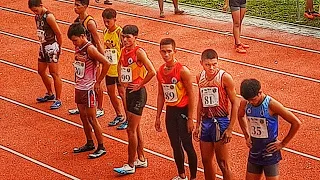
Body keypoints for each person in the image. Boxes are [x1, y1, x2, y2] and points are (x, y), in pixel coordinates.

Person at [113, 25, 156, 175]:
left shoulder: (139, 52)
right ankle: (141, 159)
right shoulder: (124, 51)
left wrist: (140, 84)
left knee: (130, 129)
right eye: (123, 37)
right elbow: (120, 65)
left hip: (138, 94)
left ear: (135, 37)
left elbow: (152, 71)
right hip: (129, 92)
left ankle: (130, 164)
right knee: (135, 128)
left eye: (128, 37)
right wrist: (121, 80)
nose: (125, 40)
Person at [238, 79, 301, 180]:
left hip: (270, 151)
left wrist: (283, 143)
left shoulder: (271, 105)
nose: (251, 102)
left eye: (253, 99)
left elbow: (296, 123)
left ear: (260, 92)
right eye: (248, 100)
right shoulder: (245, 102)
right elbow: (240, 116)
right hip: (254, 150)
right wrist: (246, 136)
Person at [155, 38, 197, 180]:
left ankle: (193, 177)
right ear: (160, 51)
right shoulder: (160, 71)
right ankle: (182, 175)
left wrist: (190, 118)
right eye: (163, 51)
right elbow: (161, 94)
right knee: (175, 145)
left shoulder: (182, 71)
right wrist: (157, 116)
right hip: (171, 112)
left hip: (183, 111)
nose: (166, 54)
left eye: (169, 51)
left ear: (175, 51)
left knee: (187, 145)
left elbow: (191, 94)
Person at [68, 22, 110, 159]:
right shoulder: (78, 47)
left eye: (75, 40)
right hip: (79, 87)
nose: (74, 43)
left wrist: (98, 82)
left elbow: (106, 63)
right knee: (83, 117)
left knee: (92, 118)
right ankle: (89, 143)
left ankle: (101, 146)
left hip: (88, 89)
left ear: (82, 36)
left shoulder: (90, 49)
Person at [193, 49, 237, 180]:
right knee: (206, 161)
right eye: (208, 65)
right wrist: (198, 124)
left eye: (214, 64)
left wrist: (230, 128)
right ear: (201, 63)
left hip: (221, 121)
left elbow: (236, 103)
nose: (211, 67)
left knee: (223, 163)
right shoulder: (199, 77)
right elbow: (200, 101)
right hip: (206, 122)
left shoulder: (225, 78)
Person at [68, 0, 105, 117]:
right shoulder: (77, 21)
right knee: (80, 79)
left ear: (85, 6)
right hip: (81, 56)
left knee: (95, 82)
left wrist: (101, 58)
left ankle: (100, 107)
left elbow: (98, 41)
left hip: (92, 56)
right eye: (74, 4)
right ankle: (82, 105)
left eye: (78, 5)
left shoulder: (90, 23)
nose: (75, 7)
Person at [28, 0, 63, 109]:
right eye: (33, 11)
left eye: (36, 10)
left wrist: (59, 48)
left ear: (41, 5)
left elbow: (58, 33)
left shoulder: (49, 17)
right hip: (43, 46)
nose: (35, 12)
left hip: (51, 47)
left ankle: (58, 99)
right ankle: (50, 93)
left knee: (54, 73)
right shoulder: (37, 17)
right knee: (41, 71)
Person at [102, 8, 128, 130]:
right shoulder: (104, 32)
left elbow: (125, 49)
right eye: (105, 21)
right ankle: (119, 115)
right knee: (111, 92)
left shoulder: (119, 33)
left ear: (115, 20)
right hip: (109, 69)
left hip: (118, 68)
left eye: (108, 21)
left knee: (122, 93)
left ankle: (128, 118)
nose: (106, 24)